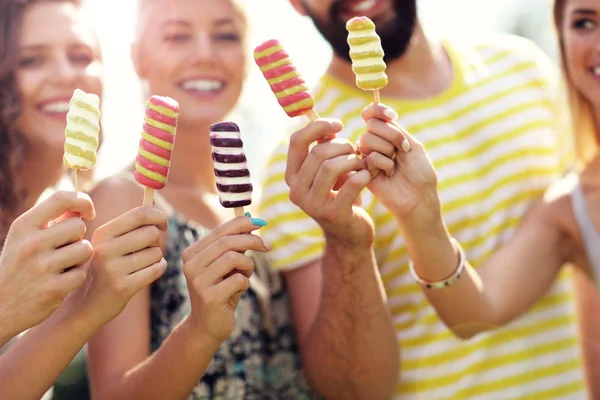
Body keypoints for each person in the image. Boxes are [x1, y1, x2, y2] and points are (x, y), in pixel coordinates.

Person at [258, 0, 587, 398]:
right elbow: (353, 392)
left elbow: (584, 252)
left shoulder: (526, 71)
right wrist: (347, 243)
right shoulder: (303, 168)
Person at [86, 0, 314, 398]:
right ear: (139, 56)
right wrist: (200, 331)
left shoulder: (269, 203)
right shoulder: (126, 204)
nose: (205, 54)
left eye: (225, 35)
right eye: (177, 36)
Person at [371, 0, 600, 396]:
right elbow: (474, 313)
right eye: (584, 22)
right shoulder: (574, 207)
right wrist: (421, 214)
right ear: (562, 41)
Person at [0, 0, 168, 398]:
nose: (66, 76)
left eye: (81, 56)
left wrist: (90, 306)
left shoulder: (47, 223)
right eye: (31, 60)